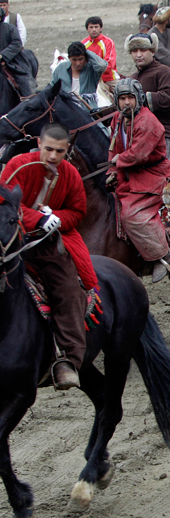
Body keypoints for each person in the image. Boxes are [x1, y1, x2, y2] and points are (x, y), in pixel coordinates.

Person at [0, 123, 99, 390]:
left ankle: (68, 359)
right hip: (11, 236)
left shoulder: (71, 175)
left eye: (60, 151)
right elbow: (5, 202)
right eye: (48, 149)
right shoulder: (18, 165)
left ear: (67, 150)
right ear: (38, 144)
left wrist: (57, 219)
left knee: (68, 290)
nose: (53, 156)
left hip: (48, 244)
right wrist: (37, 218)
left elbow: (78, 211)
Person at [107, 79, 170, 284]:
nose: (126, 103)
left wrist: (119, 161)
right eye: (122, 98)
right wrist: (112, 169)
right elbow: (113, 147)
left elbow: (138, 154)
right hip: (128, 173)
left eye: (130, 97)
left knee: (132, 214)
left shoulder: (147, 122)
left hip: (152, 175)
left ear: (138, 99)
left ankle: (163, 255)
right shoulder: (117, 119)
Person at [127, 33, 170, 161]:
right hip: (137, 134)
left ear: (153, 51)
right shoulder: (132, 78)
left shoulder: (164, 71)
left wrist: (140, 100)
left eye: (143, 50)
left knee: (161, 172)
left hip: (162, 132)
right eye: (134, 51)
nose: (138, 54)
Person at [0, 6, 33, 96]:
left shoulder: (10, 28)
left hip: (11, 62)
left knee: (24, 81)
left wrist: (2, 55)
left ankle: (28, 100)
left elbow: (17, 43)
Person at [82, 16, 118, 83]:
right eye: (91, 27)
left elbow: (109, 65)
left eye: (96, 27)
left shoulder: (108, 42)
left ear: (101, 28)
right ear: (87, 29)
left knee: (123, 91)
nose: (94, 30)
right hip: (88, 79)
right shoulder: (83, 44)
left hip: (108, 79)